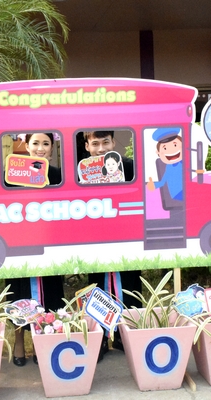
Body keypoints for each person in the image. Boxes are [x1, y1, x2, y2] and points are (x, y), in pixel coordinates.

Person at [4, 132, 65, 366]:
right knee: (18, 293)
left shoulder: (59, 175)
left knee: (51, 292)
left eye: (46, 144)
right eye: (35, 143)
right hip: (19, 243)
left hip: (50, 242)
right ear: (26, 145)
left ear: (52, 147)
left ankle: (45, 342)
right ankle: (19, 343)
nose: (40, 148)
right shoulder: (12, 173)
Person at [81, 130, 141, 360]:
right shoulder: (81, 170)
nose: (101, 149)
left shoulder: (130, 166)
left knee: (130, 282)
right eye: (95, 143)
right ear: (87, 146)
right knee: (97, 284)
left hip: (126, 233)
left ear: (113, 142)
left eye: (105, 142)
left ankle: (127, 335)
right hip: (94, 236)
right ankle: (102, 337)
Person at [146, 127, 183, 201]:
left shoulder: (186, 162)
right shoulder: (169, 167)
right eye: (165, 148)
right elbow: (163, 182)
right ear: (158, 153)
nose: (171, 151)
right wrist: (153, 185)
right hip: (178, 193)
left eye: (175, 145)